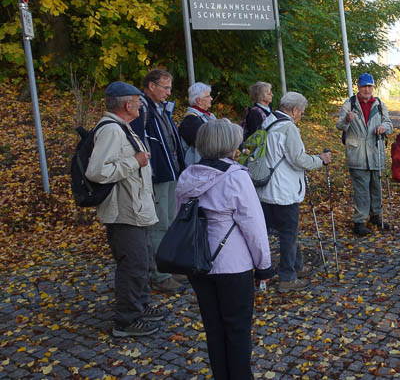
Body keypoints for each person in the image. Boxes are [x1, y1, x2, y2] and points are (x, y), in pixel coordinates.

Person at [175, 119, 273, 379]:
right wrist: (264, 266)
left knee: (214, 328)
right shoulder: (236, 177)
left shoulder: (188, 175)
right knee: (237, 329)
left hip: (196, 260)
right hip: (232, 264)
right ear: (230, 144)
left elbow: (179, 218)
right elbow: (254, 226)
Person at [86, 81, 161, 337]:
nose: (141, 106)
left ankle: (140, 306)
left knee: (142, 260)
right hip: (124, 212)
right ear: (128, 104)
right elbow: (97, 172)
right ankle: (126, 321)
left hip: (135, 209)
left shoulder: (122, 128)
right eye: (138, 102)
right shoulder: (111, 131)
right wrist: (134, 161)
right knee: (133, 264)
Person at [256, 92, 332, 292]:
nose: (301, 116)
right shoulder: (288, 128)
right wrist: (320, 159)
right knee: (288, 233)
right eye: (302, 112)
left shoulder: (268, 122)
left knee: (284, 232)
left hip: (266, 188)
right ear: (294, 110)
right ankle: (288, 276)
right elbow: (298, 159)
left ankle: (295, 266)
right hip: (283, 190)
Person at [130, 69, 186, 293]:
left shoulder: (159, 108)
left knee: (170, 222)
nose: (169, 92)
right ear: (151, 86)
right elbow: (138, 142)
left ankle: (168, 266)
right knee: (159, 225)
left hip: (171, 173)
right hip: (158, 176)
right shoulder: (142, 109)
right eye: (165, 87)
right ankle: (159, 274)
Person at [336, 73, 393, 236]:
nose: (367, 89)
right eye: (364, 86)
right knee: (361, 189)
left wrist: (383, 127)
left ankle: (376, 215)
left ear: (373, 87)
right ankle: (359, 221)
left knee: (376, 185)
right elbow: (339, 125)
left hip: (376, 151)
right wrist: (347, 119)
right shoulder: (350, 104)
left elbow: (389, 123)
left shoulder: (380, 104)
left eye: (370, 86)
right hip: (357, 153)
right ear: (358, 87)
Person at [179, 82, 217, 166]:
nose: (211, 98)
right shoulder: (191, 121)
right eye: (208, 96)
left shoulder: (208, 116)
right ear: (198, 100)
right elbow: (209, 144)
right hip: (199, 170)